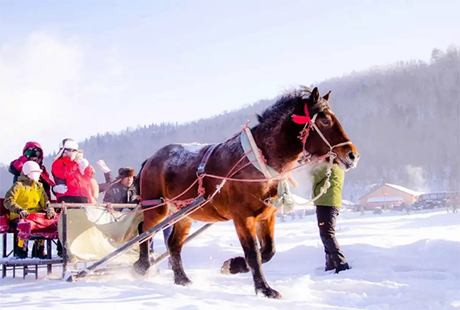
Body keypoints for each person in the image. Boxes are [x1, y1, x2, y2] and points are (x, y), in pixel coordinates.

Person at [103, 167, 173, 258]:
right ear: (121, 178)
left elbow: (145, 199)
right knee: (146, 230)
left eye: (131, 177)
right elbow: (107, 202)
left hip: (137, 217)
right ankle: (144, 253)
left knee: (157, 230)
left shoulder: (137, 188)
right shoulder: (114, 189)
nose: (129, 180)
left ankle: (162, 254)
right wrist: (114, 207)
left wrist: (139, 202)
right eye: (127, 177)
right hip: (120, 219)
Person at [3, 161, 57, 258]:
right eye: (35, 172)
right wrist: (19, 209)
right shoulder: (18, 186)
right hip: (20, 216)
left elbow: (45, 202)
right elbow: (8, 201)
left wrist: (49, 209)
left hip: (36, 217)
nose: (38, 175)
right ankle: (21, 249)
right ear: (28, 173)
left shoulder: (39, 187)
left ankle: (38, 249)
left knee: (46, 225)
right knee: (26, 226)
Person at [312, 162, 350, 274]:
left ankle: (341, 264)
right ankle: (331, 264)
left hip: (326, 202)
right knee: (327, 234)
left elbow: (315, 174)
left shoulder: (329, 165)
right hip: (330, 201)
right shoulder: (338, 166)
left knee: (327, 235)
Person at [51, 138, 96, 203]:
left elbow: (89, 176)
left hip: (83, 196)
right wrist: (74, 163)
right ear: (64, 150)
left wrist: (86, 165)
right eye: (71, 150)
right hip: (67, 196)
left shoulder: (78, 163)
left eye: (75, 150)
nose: (73, 152)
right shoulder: (58, 162)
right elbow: (63, 174)